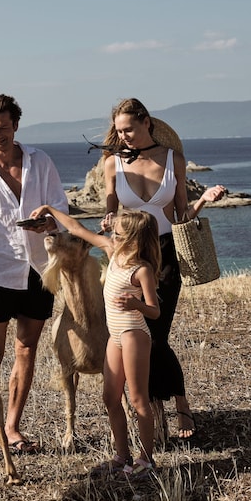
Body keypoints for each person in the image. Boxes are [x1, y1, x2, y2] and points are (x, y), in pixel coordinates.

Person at [100, 97, 226, 440]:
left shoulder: (173, 159)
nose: (123, 136)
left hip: (166, 254)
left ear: (146, 123)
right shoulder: (112, 164)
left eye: (129, 129)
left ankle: (180, 404)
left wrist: (203, 200)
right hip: (129, 258)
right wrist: (109, 221)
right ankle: (155, 410)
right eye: (118, 131)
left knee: (156, 335)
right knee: (138, 337)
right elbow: (111, 212)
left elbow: (181, 215)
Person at [0, 94, 69, 463]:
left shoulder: (41, 161)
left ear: (15, 125)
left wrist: (48, 221)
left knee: (26, 350)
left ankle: (12, 428)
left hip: (40, 269)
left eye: (3, 128)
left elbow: (60, 205)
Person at [30, 204, 163, 477]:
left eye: (118, 234)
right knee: (110, 398)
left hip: (134, 335)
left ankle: (146, 460)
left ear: (133, 240)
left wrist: (136, 304)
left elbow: (155, 311)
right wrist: (50, 210)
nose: (112, 236)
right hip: (115, 337)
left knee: (138, 400)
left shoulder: (142, 270)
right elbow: (75, 228)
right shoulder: (112, 251)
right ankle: (122, 456)